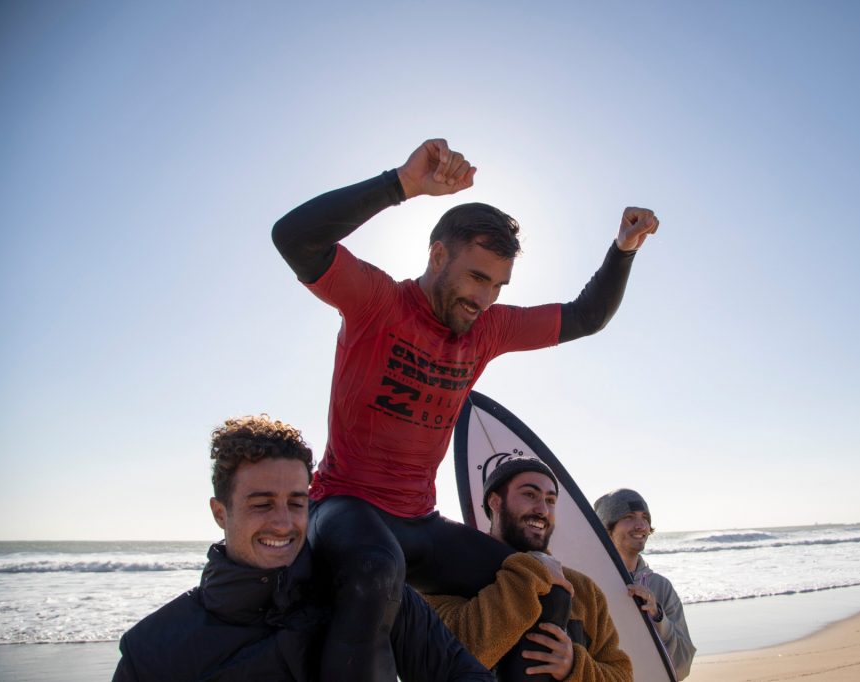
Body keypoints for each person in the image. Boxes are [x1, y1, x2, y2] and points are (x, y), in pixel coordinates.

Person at [272, 138, 659, 679]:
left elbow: (586, 316)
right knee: (376, 568)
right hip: (346, 508)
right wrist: (401, 185)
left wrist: (623, 250)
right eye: (477, 277)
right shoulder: (377, 302)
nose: (485, 299)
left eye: (498, 285)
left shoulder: (488, 329)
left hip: (421, 521)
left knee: (543, 579)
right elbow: (292, 236)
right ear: (437, 255)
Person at [112, 415, 492, 682]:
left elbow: (464, 674)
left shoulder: (370, 591)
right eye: (261, 504)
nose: (283, 523)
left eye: (296, 503)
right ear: (219, 512)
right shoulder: (154, 651)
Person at [427, 457, 633, 682]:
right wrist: (532, 572)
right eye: (529, 494)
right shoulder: (449, 576)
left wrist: (574, 666)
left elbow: (622, 675)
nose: (542, 509)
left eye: (550, 500)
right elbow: (443, 665)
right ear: (495, 502)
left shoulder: (583, 590)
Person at [593, 489, 695, 680]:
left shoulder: (661, 587)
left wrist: (658, 617)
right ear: (607, 527)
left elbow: (683, 667)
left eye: (645, 518)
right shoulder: (589, 584)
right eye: (629, 517)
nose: (641, 525)